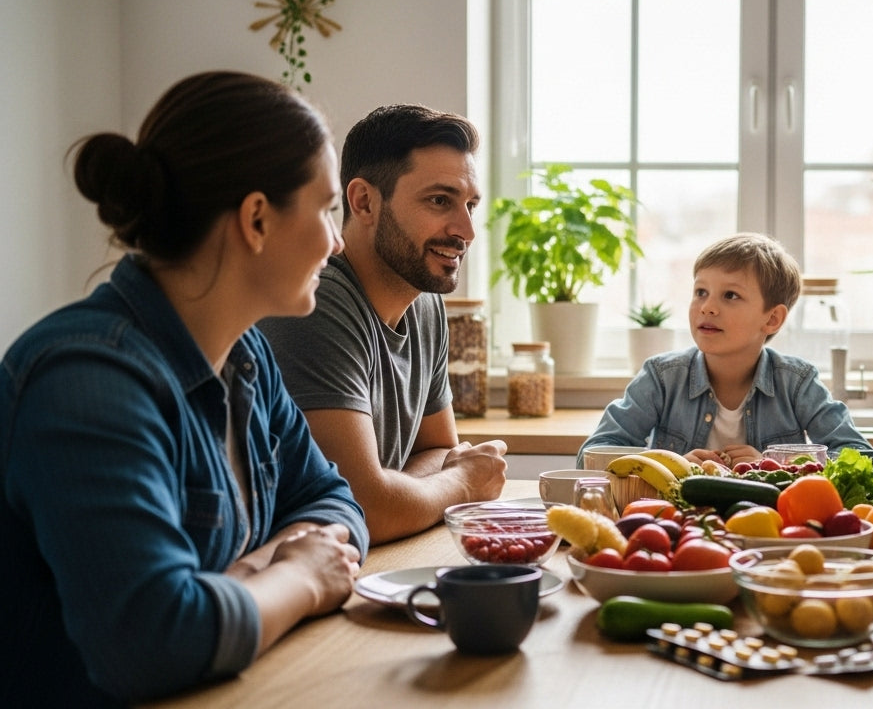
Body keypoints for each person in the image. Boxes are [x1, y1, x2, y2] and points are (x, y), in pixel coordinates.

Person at [0, 71, 369, 706]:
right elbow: (150, 641)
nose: (337, 241)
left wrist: (248, 576)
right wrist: (300, 579)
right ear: (256, 219)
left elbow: (333, 499)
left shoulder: (244, 351)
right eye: (327, 207)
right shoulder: (86, 383)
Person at [259, 105, 507, 545]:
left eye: (470, 205)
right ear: (364, 202)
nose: (466, 229)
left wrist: (403, 496)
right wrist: (461, 484)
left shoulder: (424, 300)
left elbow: (436, 450)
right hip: (291, 569)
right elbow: (365, 508)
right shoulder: (318, 303)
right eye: (439, 200)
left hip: (367, 562)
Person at [580, 232, 869, 468]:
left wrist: (778, 465)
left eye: (730, 295)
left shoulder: (797, 382)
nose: (707, 307)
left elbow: (858, 456)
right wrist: (669, 464)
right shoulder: (661, 377)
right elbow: (591, 456)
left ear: (772, 319)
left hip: (769, 526)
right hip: (680, 527)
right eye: (700, 292)